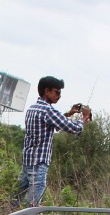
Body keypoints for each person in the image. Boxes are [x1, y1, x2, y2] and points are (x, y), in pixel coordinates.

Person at [14, 76, 92, 207]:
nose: (59, 96)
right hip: (39, 164)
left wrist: (69, 113)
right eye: (57, 92)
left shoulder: (32, 109)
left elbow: (52, 124)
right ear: (47, 91)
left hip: (27, 163)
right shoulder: (48, 110)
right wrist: (84, 118)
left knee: (14, 201)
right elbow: (73, 128)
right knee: (32, 207)